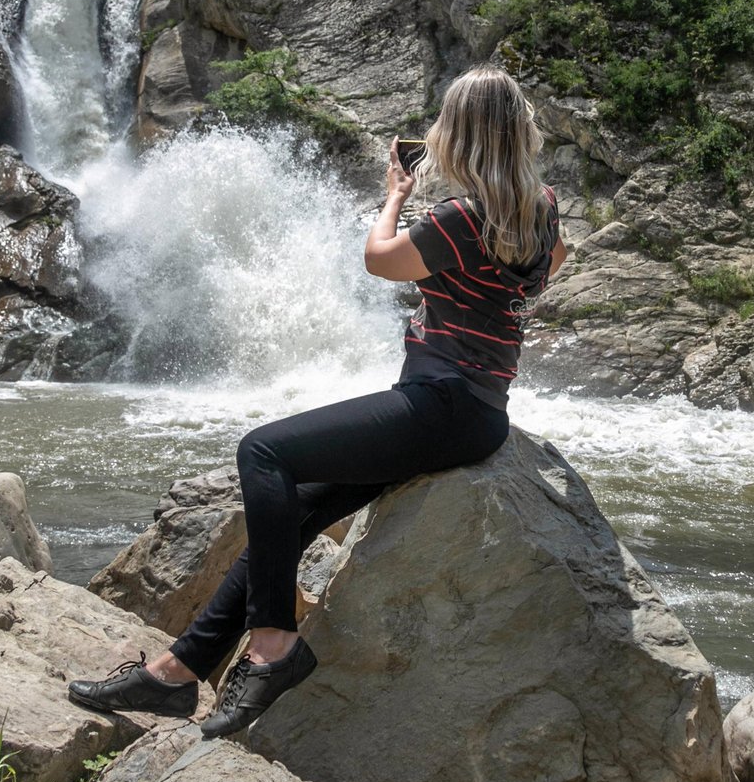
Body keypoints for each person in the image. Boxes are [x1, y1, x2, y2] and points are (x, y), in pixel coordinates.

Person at [65, 65, 566, 739]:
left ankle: (273, 646)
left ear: (461, 135)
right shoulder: (540, 208)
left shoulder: (459, 218)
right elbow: (554, 262)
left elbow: (380, 259)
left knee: (262, 452)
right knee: (294, 511)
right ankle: (176, 674)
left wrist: (393, 196)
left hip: (440, 405)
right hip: (476, 414)